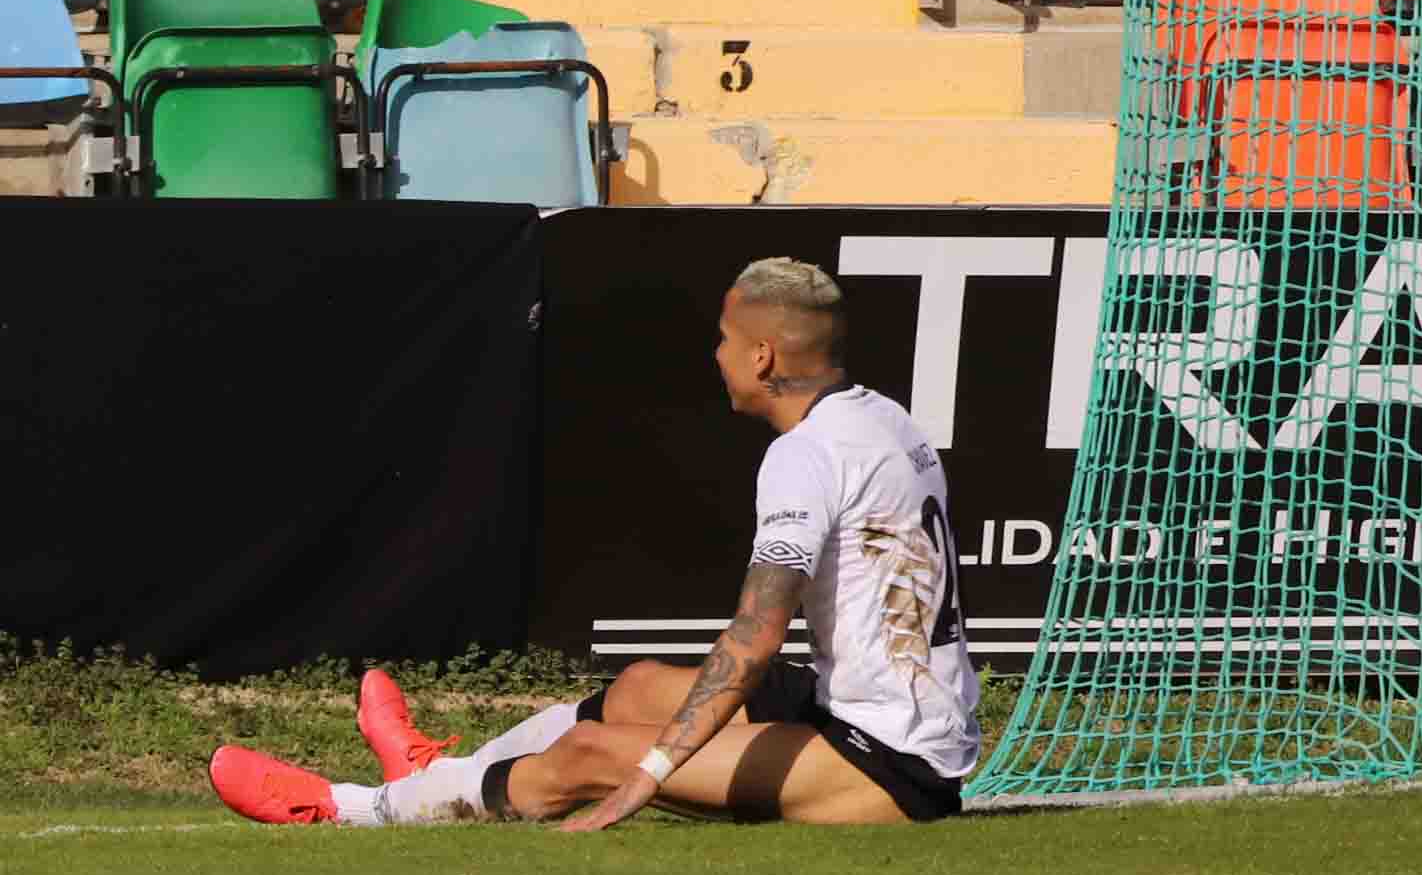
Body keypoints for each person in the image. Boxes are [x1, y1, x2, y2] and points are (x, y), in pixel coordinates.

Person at [207, 258, 982, 830]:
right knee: (639, 685)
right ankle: (436, 774)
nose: (714, 354)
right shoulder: (882, 416)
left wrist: (648, 771)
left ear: (762, 357)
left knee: (587, 754)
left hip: (889, 762)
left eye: (722, 339)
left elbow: (752, 639)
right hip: (865, 708)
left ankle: (354, 809)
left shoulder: (804, 455)